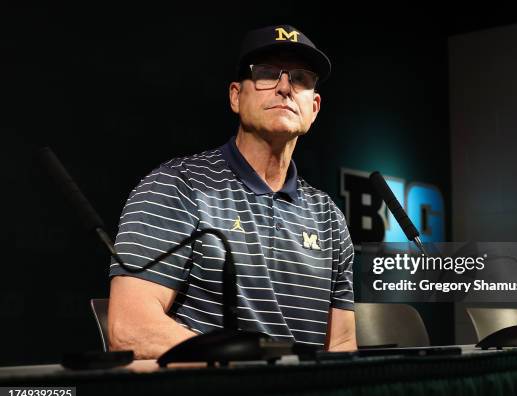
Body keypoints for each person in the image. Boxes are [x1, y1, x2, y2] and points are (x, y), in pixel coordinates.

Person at [108, 25, 356, 359]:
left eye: (300, 79)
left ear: (314, 108)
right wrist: (241, 365)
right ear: (236, 97)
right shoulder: (178, 186)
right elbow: (130, 329)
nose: (285, 87)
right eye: (267, 74)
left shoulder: (329, 218)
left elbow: (341, 346)